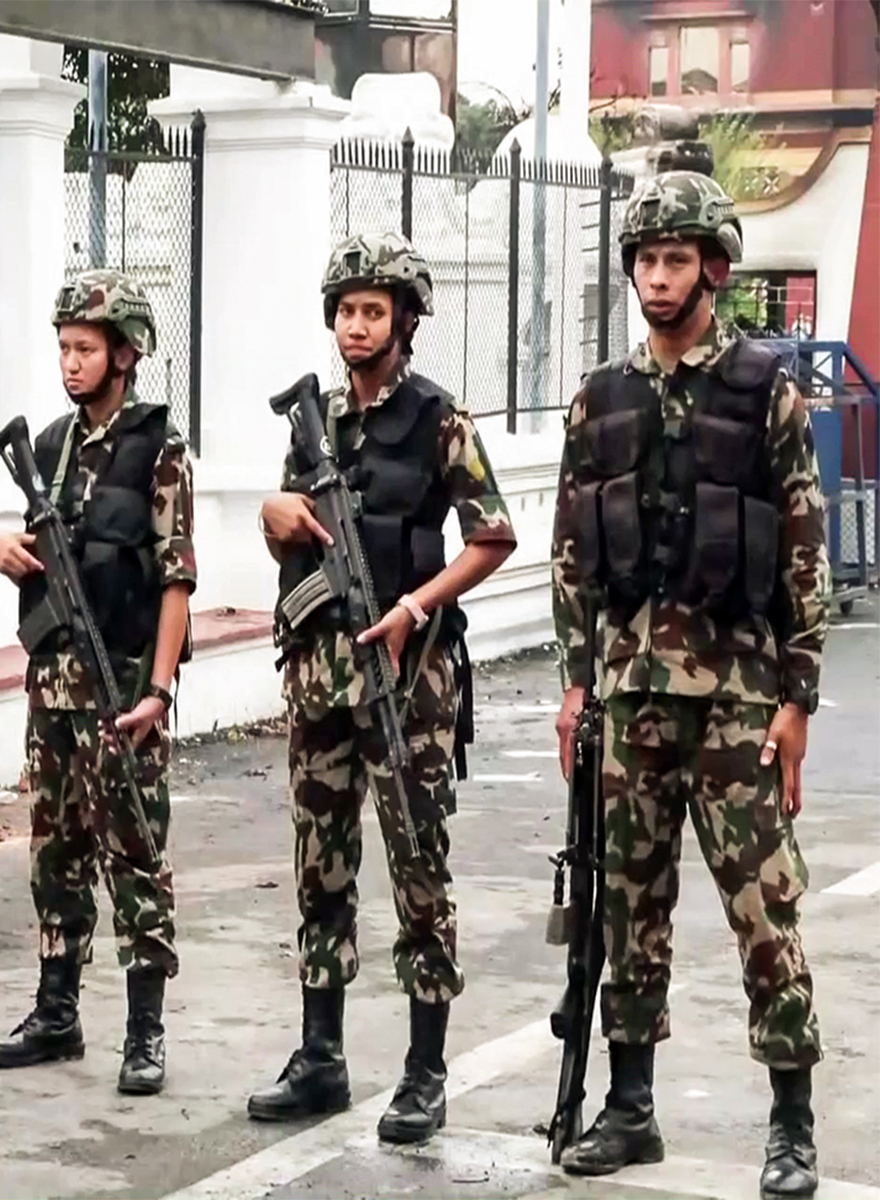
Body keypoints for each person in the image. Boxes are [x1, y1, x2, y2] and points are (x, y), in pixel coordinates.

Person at [550, 170, 826, 1199]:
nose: (658, 278)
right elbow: (571, 554)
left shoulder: (764, 389)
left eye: (676, 259)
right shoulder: (600, 396)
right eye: (646, 260)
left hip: (738, 692)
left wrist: (798, 697)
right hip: (628, 693)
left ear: (713, 268)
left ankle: (791, 1121)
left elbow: (803, 544)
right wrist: (576, 685)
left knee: (763, 905)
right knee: (627, 906)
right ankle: (630, 1109)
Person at [251, 232, 516, 1144]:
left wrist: (413, 605)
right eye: (346, 311)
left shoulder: (441, 420)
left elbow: (493, 535)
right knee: (319, 868)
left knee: (417, 870)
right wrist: (275, 513)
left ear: (406, 321)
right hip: (319, 681)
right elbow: (287, 539)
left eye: (373, 311)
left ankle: (424, 1071)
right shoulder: (315, 422)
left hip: (409, 682)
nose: (356, 327)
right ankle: (319, 1057)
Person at [0, 269, 195, 1096]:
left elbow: (176, 578)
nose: (71, 363)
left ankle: (145, 1032)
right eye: (64, 348)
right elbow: (33, 549)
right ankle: (56, 1012)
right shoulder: (49, 449)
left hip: (124, 687)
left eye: (85, 349)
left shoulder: (159, 450)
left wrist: (159, 691)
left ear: (125, 354)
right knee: (55, 852)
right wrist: (2, 550)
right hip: (53, 687)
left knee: (135, 852)